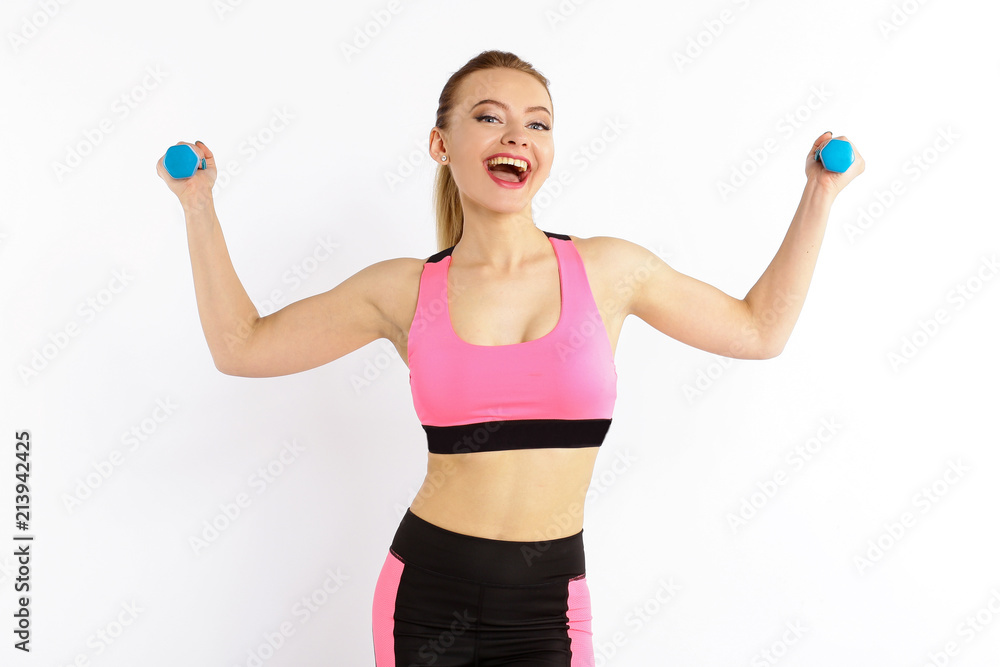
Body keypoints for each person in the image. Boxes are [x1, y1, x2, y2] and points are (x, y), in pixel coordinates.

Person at [157, 49, 863, 666]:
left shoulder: (611, 271)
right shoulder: (403, 290)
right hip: (425, 594)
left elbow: (758, 330)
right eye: (490, 117)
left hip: (549, 605)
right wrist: (197, 204)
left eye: (538, 123)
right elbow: (241, 346)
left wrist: (820, 192)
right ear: (440, 143)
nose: (517, 136)